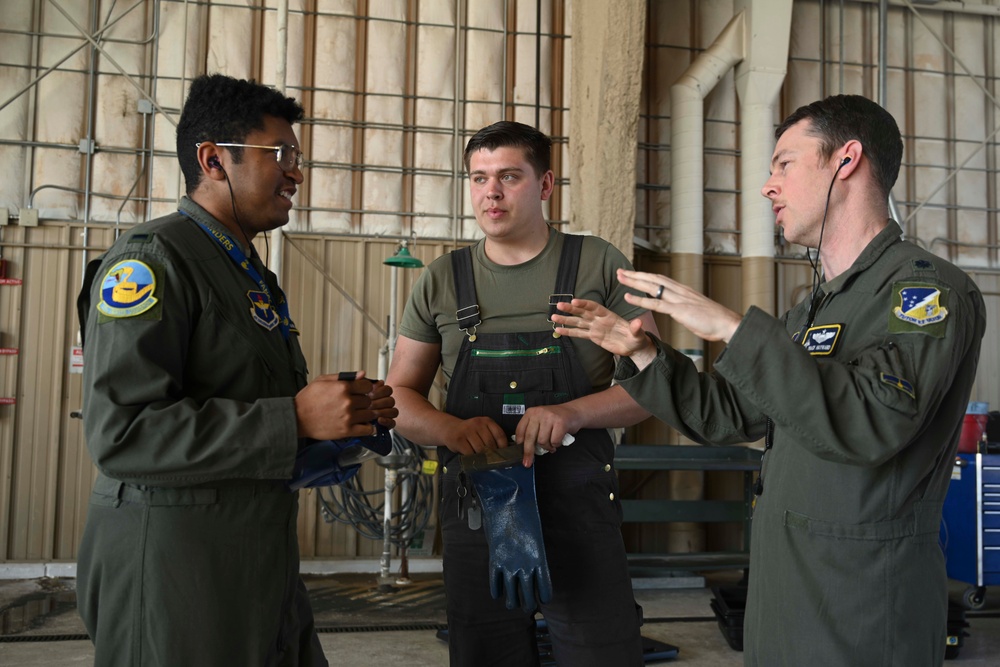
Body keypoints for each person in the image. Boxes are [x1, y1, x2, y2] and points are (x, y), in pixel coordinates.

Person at [550, 94, 987, 667]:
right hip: (788, 585)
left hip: (865, 599)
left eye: (784, 163)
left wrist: (731, 327)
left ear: (846, 160)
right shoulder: (815, 309)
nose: (767, 186)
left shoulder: (925, 292)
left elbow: (875, 422)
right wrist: (644, 353)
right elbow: (728, 413)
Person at [75, 73, 397, 667]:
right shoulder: (153, 260)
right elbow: (121, 434)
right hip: (177, 575)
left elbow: (253, 420)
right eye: (281, 155)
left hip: (253, 563)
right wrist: (294, 418)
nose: (296, 172)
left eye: (296, 156)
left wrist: (338, 424)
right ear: (213, 160)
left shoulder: (246, 272)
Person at [384, 120, 659, 666]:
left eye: (509, 176)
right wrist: (451, 429)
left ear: (546, 185)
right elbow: (399, 397)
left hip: (578, 507)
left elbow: (653, 387)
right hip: (478, 513)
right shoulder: (442, 278)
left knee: (600, 651)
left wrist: (572, 412)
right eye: (479, 177)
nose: (492, 191)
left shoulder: (599, 264)